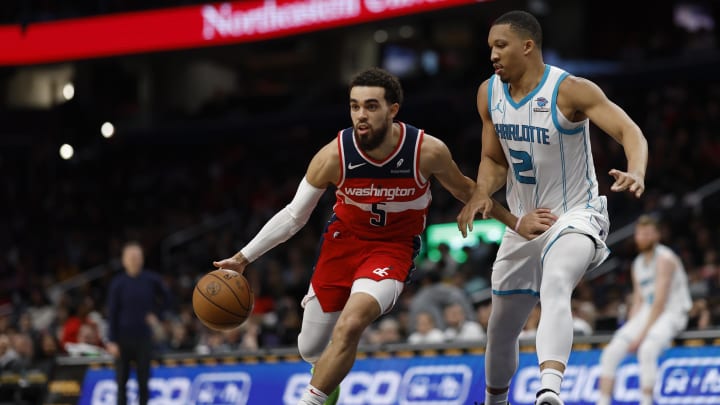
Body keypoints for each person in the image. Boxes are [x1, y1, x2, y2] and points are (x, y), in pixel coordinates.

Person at [213, 67, 550, 405]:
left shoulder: (426, 150)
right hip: (341, 245)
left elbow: (468, 191)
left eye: (371, 106)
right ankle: (328, 381)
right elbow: (293, 216)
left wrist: (516, 222)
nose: (361, 115)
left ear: (393, 110)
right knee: (310, 348)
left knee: (351, 323)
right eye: (355, 106)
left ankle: (309, 401)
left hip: (392, 250)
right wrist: (242, 258)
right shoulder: (334, 156)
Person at [456, 10, 648, 405]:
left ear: (527, 46)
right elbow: (493, 160)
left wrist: (637, 170)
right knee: (501, 328)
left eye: (500, 45)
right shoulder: (487, 93)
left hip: (575, 213)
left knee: (556, 282)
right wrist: (481, 192)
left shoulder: (570, 89)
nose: (492, 54)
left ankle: (549, 390)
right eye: (490, 46)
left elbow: (630, 130)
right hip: (523, 221)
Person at [597, 215, 691, 405]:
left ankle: (646, 401)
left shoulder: (665, 258)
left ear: (657, 235)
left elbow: (660, 302)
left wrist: (640, 337)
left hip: (673, 311)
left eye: (647, 233)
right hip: (648, 312)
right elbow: (639, 302)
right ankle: (603, 401)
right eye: (640, 233)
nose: (643, 237)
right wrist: (632, 328)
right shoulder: (637, 263)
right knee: (611, 352)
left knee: (647, 350)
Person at [106, 241, 172, 405]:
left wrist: (157, 314)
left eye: (137, 256)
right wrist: (112, 340)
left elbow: (168, 298)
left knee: (144, 382)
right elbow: (112, 312)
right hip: (122, 339)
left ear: (142, 259)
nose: (134, 260)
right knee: (121, 382)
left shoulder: (151, 279)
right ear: (123, 260)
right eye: (131, 257)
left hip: (144, 337)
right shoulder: (118, 283)